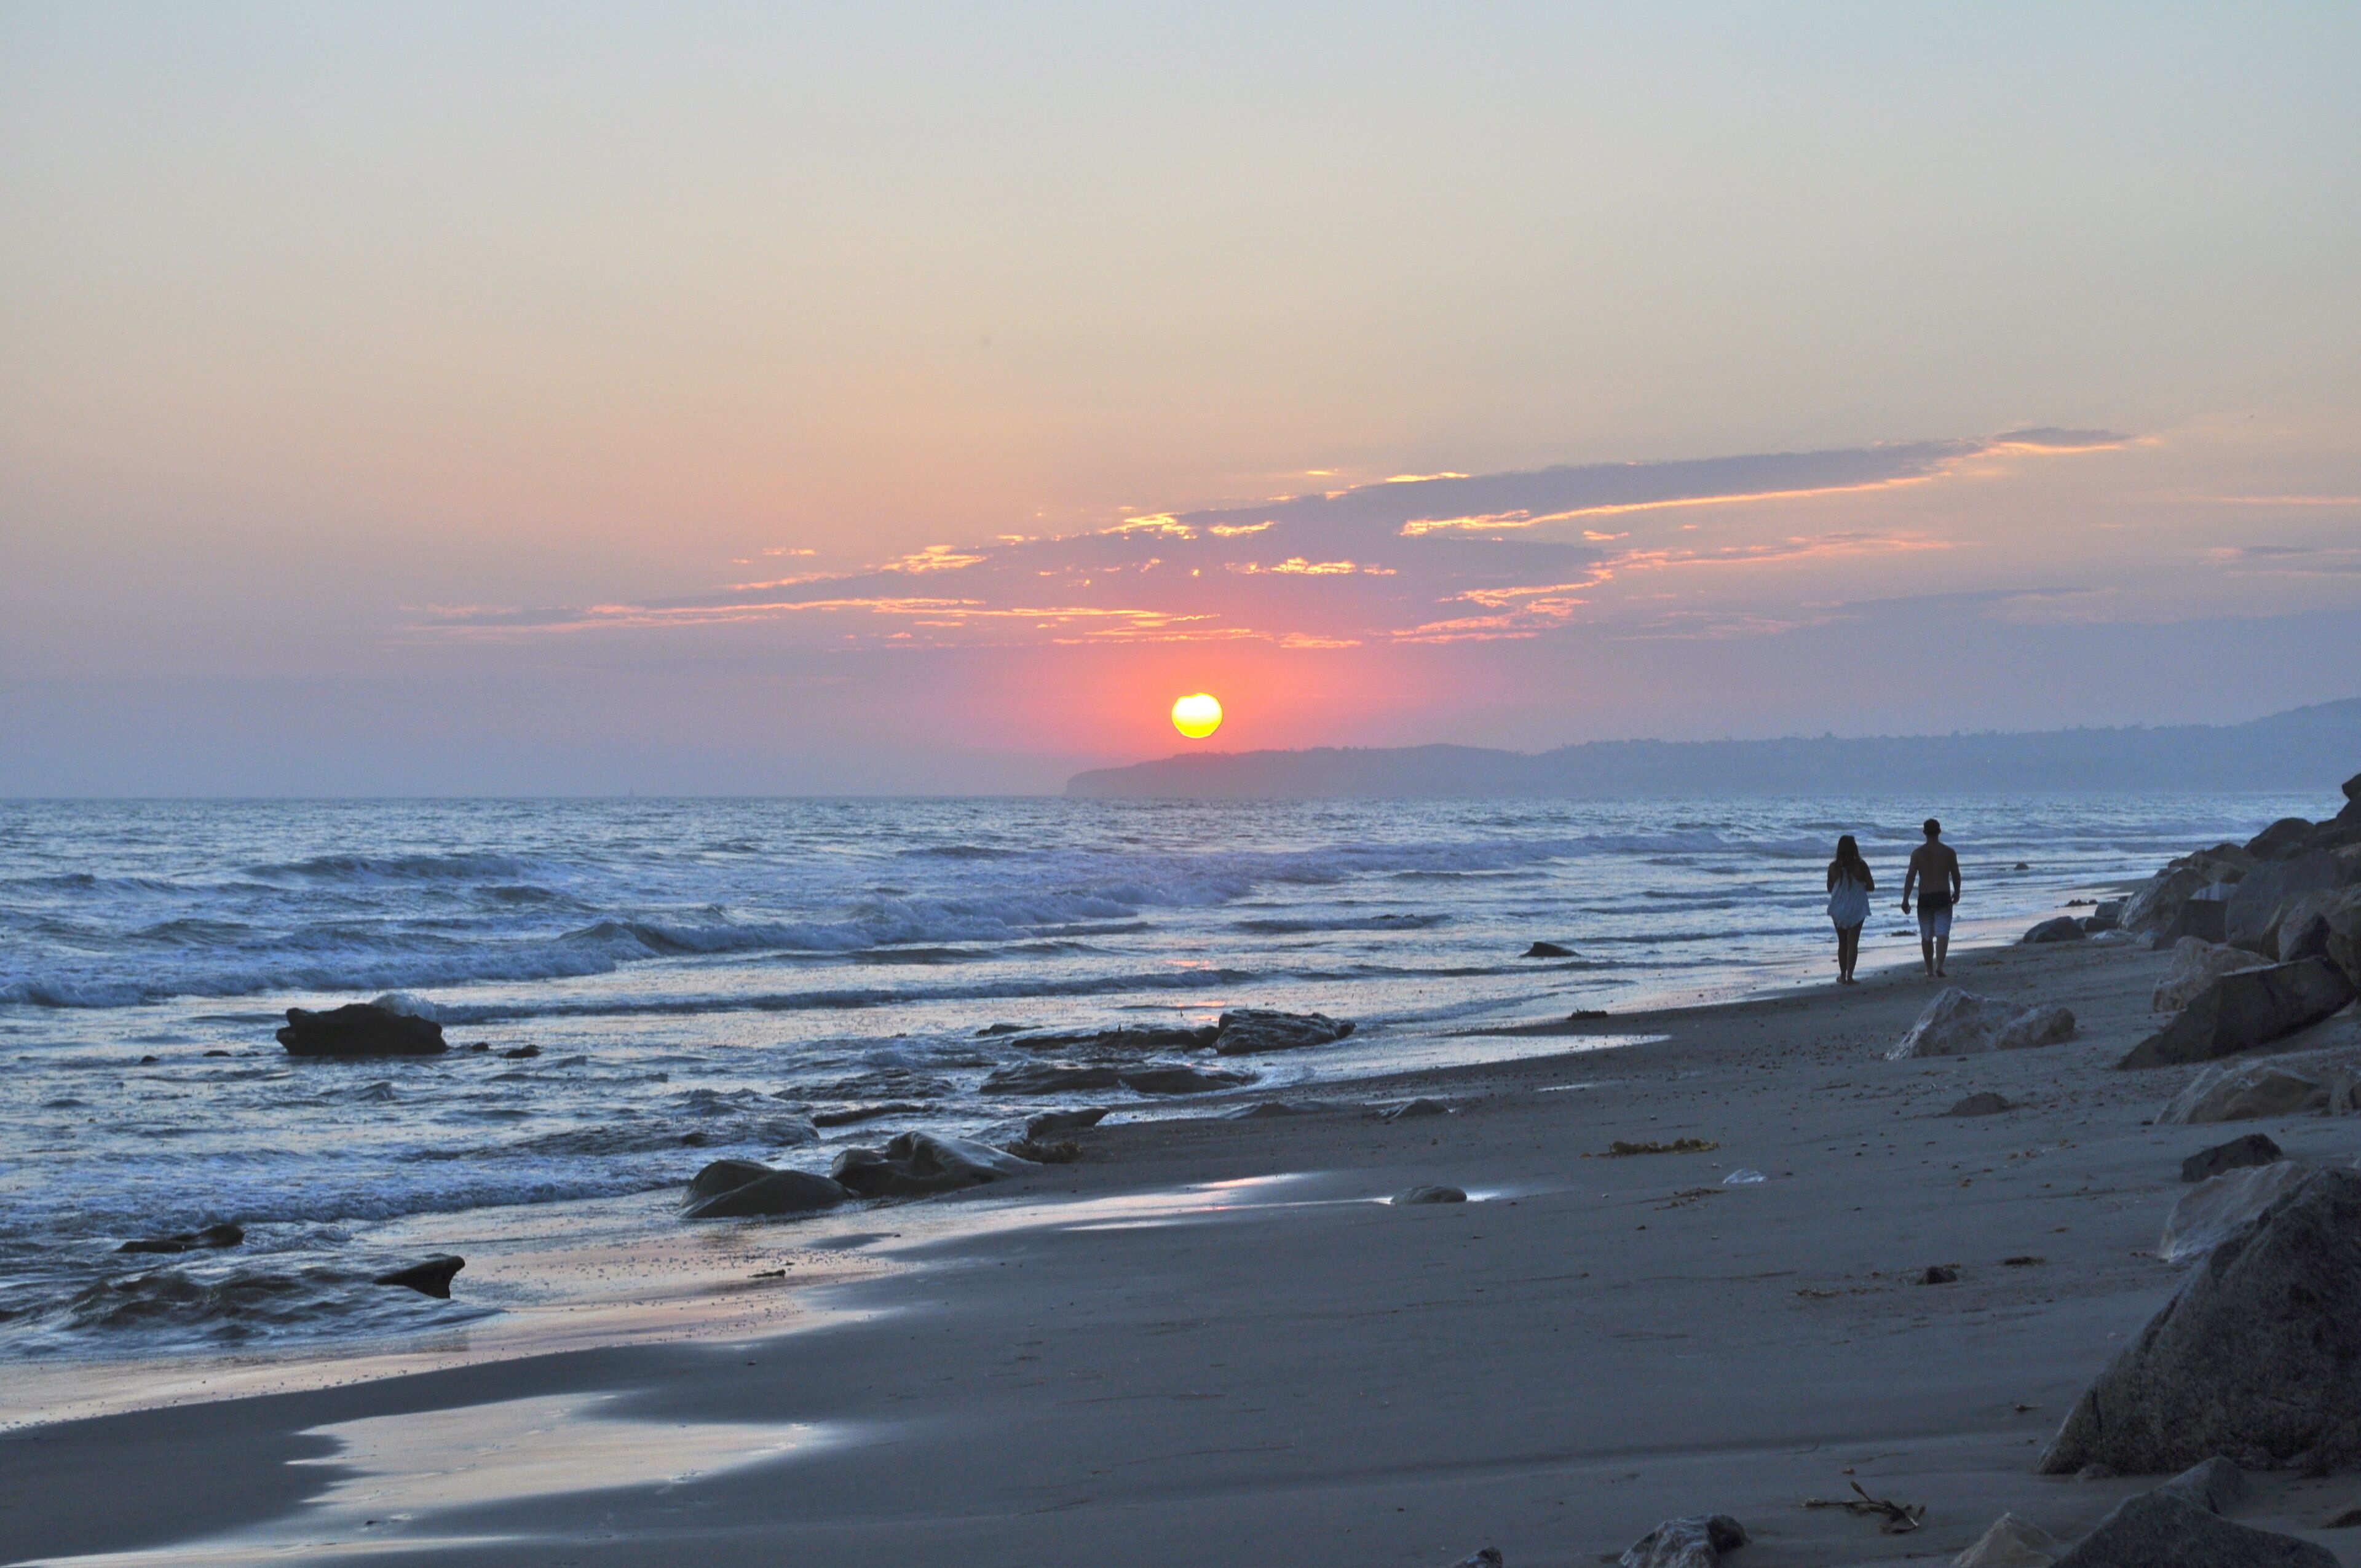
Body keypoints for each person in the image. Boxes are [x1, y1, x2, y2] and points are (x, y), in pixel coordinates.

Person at [1900, 817, 1963, 978]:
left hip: (1925, 897)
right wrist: (1957, 891)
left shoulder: (1918, 854)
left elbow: (1911, 877)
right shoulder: (1949, 852)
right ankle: (1940, 965)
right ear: (1940, 832)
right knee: (1943, 933)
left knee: (1926, 935)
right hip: (1942, 895)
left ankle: (1929, 968)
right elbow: (1956, 875)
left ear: (1924, 833)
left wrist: (1905, 899)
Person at [1825, 834, 1874, 984]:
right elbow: (1871, 886)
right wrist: (1859, 888)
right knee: (1853, 943)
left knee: (1842, 942)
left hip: (1839, 906)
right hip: (1857, 906)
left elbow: (1829, 888)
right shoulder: (1861, 866)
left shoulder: (1833, 867)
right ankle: (1850, 976)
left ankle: (1842, 975)